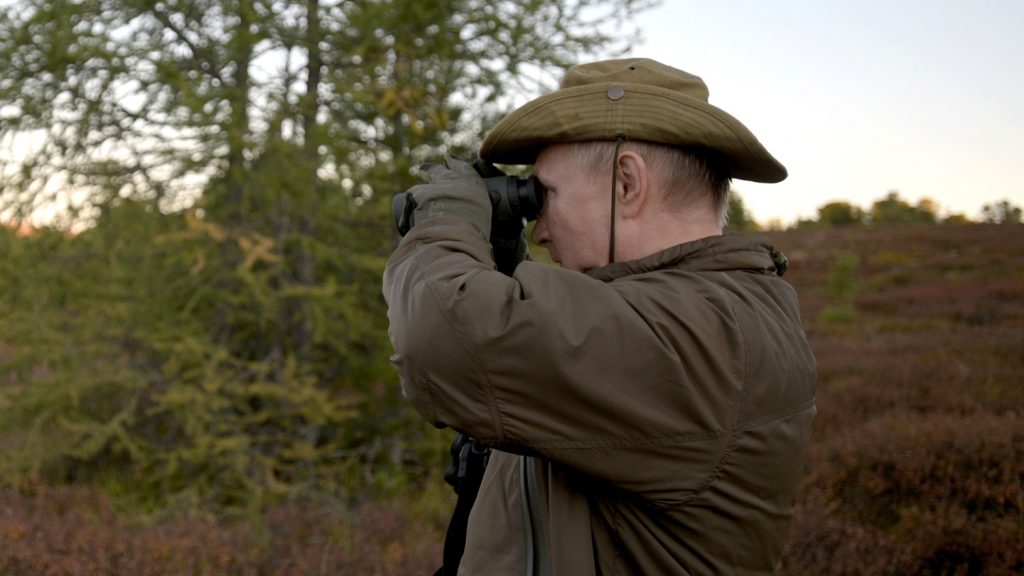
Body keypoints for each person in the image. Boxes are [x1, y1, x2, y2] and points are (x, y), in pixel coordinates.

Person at [382, 58, 817, 576]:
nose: (540, 230)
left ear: (627, 182)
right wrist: (500, 261)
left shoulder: (705, 334)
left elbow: (443, 338)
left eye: (548, 196)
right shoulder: (704, 309)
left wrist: (444, 221)